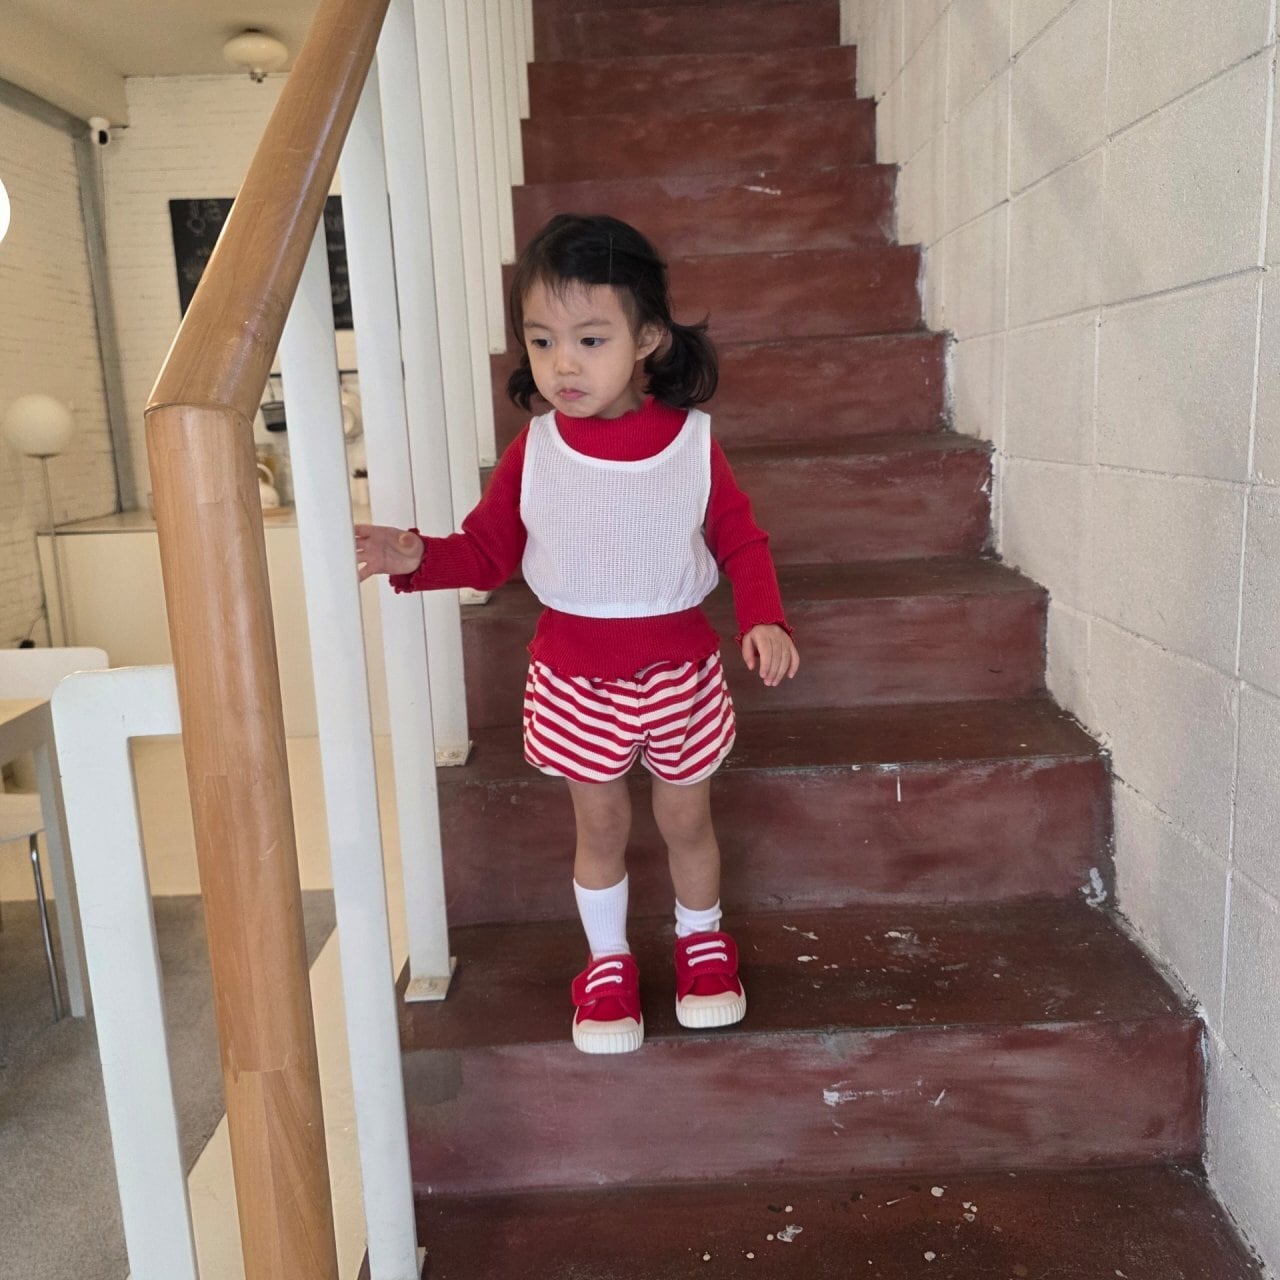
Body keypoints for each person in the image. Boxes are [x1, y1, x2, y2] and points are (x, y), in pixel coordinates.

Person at [355, 213, 799, 1055]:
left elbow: (741, 539)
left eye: (590, 340)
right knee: (598, 827)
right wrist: (416, 556)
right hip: (573, 677)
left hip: (680, 672)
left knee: (686, 820)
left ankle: (704, 945)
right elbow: (487, 553)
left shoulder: (692, 445)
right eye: (542, 341)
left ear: (648, 338)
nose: (563, 363)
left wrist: (764, 616)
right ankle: (607, 963)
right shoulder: (536, 452)